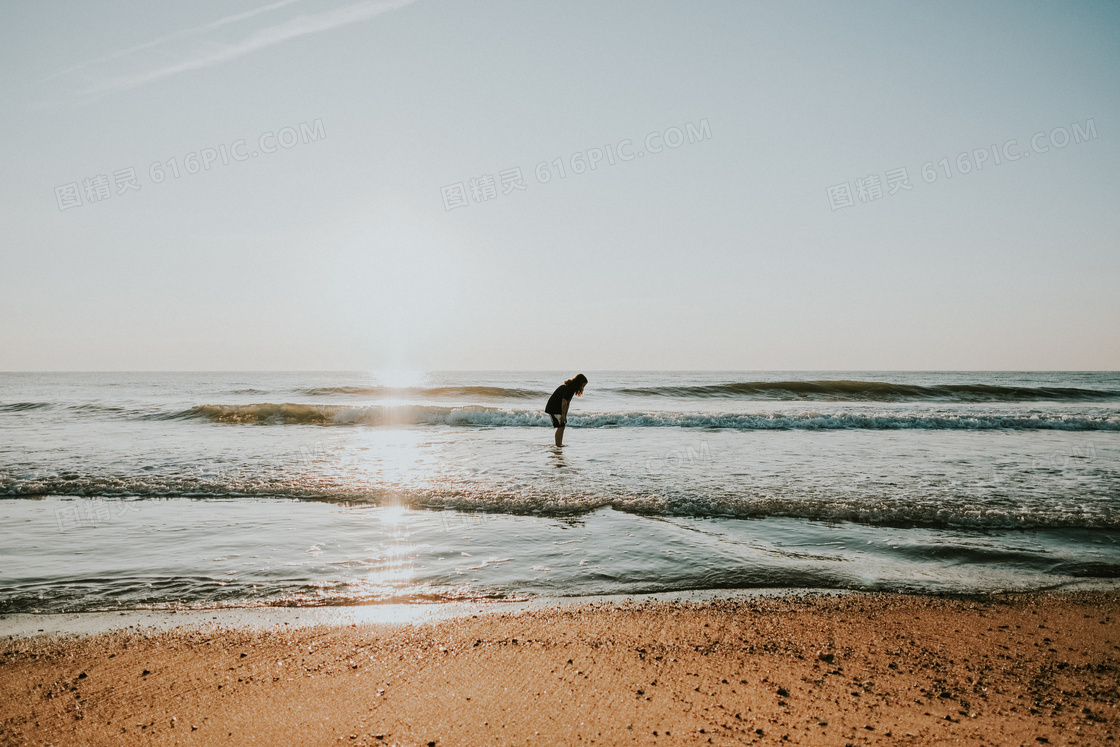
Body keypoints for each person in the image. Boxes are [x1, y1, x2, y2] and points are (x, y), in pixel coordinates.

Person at [545, 374, 587, 447]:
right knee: (561, 426)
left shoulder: (570, 388)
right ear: (579, 383)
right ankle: (558, 445)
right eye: (583, 385)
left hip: (555, 407)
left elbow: (567, 404)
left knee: (562, 426)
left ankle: (559, 444)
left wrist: (565, 416)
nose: (582, 387)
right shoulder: (569, 389)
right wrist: (563, 415)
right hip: (553, 407)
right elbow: (564, 402)